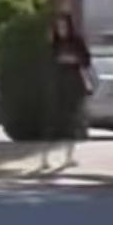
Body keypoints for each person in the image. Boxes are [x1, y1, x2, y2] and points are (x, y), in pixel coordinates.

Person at [46, 12, 95, 166]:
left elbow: (87, 60)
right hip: (58, 86)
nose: (62, 30)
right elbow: (48, 62)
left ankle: (68, 157)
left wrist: (75, 59)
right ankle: (45, 158)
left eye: (64, 26)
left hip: (74, 85)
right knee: (55, 123)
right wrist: (59, 61)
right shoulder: (54, 44)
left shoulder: (77, 42)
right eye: (59, 27)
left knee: (73, 122)